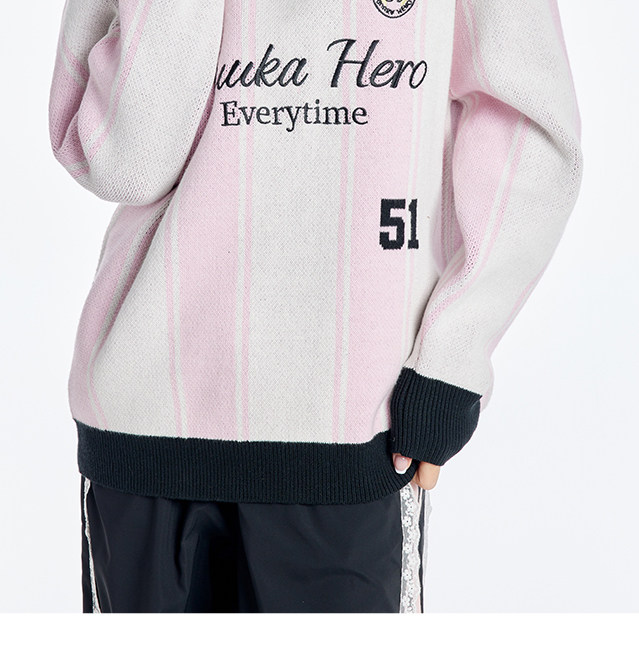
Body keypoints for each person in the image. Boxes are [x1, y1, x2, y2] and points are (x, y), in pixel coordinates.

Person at [48, 0, 583, 613]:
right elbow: (122, 164)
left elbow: (532, 132)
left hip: (352, 427)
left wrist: (452, 357)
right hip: (148, 412)